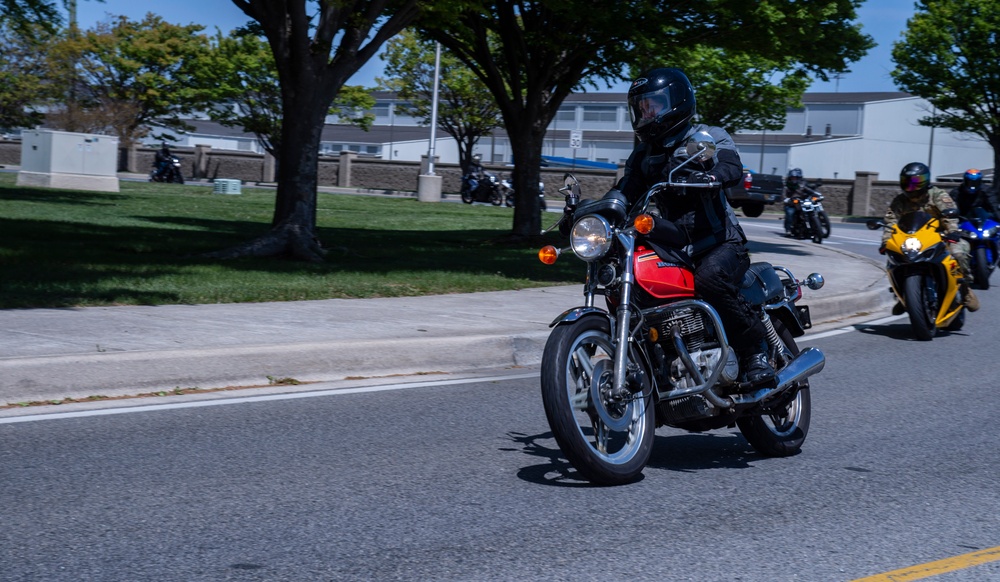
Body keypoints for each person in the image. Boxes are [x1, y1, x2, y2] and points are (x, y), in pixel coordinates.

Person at [600, 67, 775, 384]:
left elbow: (731, 166)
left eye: (653, 105)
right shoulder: (642, 155)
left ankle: (755, 352)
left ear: (677, 102)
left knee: (709, 278)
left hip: (721, 244)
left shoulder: (708, 136)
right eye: (641, 107)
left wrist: (711, 175)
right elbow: (626, 190)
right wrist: (595, 212)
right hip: (676, 245)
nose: (646, 113)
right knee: (631, 275)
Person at [880, 162, 979, 311]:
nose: (911, 187)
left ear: (925, 181)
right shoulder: (899, 201)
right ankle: (904, 296)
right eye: (907, 182)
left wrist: (952, 231)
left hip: (940, 237)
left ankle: (965, 290)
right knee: (894, 260)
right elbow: (890, 222)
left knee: (959, 253)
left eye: (915, 182)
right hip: (912, 240)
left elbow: (949, 216)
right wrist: (886, 241)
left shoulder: (937, 195)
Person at [783, 168, 805, 236]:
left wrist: (814, 192)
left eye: (795, 178)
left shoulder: (802, 184)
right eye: (792, 178)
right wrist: (786, 199)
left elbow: (809, 190)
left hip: (802, 202)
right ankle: (788, 229)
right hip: (791, 204)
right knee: (790, 213)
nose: (794, 179)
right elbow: (783, 194)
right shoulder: (786, 186)